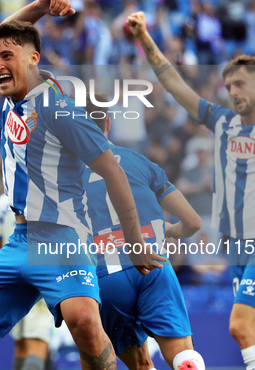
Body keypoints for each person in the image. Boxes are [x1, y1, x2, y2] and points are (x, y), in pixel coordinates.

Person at [0, 0, 164, 370]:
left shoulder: (60, 110)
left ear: (33, 59)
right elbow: (6, 36)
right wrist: (38, 7)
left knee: (85, 324)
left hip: (62, 238)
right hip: (19, 240)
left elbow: (114, 172)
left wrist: (135, 243)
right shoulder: (13, 99)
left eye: (6, 57)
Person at [127, 10, 255, 370]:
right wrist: (144, 37)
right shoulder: (222, 122)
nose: (233, 91)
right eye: (229, 85)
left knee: (239, 326)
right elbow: (173, 84)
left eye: (240, 84)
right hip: (238, 249)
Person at [83, 94, 206, 370]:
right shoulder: (140, 162)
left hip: (106, 277)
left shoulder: (66, 175)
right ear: (109, 123)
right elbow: (194, 222)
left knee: (140, 364)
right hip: (153, 265)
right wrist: (170, 230)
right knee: (183, 356)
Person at [0, 190, 53, 370]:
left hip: (12, 285)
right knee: (37, 345)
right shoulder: (47, 198)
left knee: (21, 346)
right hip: (40, 281)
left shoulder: (1, 203)